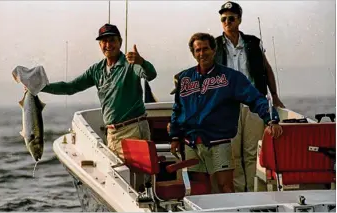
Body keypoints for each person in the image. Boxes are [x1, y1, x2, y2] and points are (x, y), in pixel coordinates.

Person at [169, 32, 283, 193]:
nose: (202, 53)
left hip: (219, 141)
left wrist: (271, 119)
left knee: (226, 187)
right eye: (198, 50)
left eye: (206, 49)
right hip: (192, 143)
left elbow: (256, 98)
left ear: (214, 50)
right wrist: (174, 137)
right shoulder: (185, 78)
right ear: (193, 53)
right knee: (198, 188)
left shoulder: (231, 77)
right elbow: (178, 109)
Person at [40, 23, 157, 159]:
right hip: (112, 134)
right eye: (104, 41)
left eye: (112, 40)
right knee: (119, 176)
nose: (108, 44)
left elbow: (150, 75)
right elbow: (70, 87)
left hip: (133, 130)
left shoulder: (130, 64)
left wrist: (141, 62)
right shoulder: (96, 70)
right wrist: (41, 87)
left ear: (120, 42)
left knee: (137, 178)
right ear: (99, 45)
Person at [215, 1, 285, 192]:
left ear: (239, 20)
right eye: (223, 19)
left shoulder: (253, 43)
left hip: (253, 105)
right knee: (233, 154)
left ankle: (255, 193)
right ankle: (240, 195)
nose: (227, 22)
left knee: (253, 151)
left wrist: (275, 96)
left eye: (231, 18)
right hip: (227, 107)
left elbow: (266, 68)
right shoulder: (214, 45)